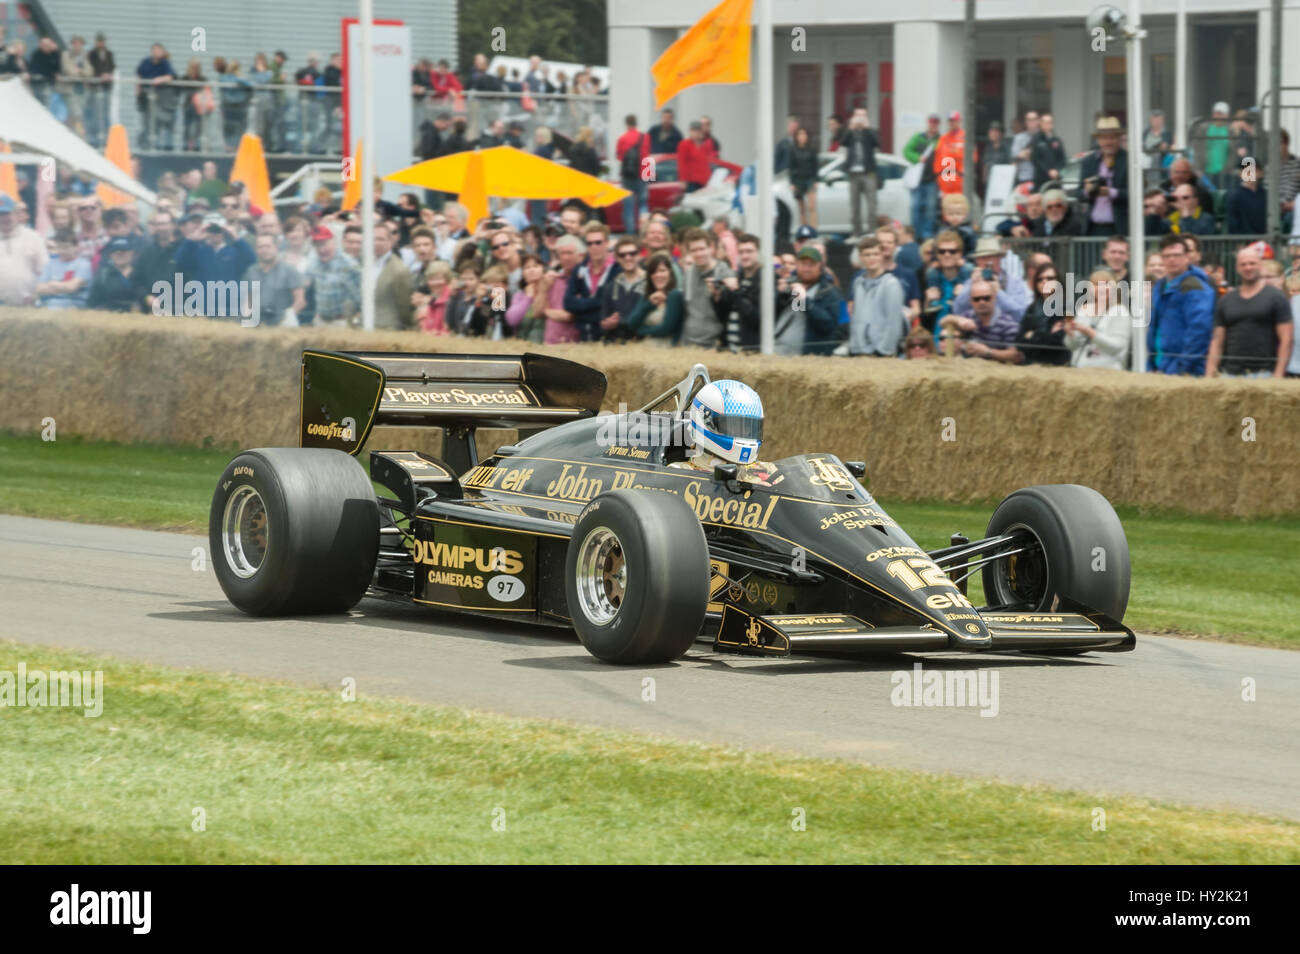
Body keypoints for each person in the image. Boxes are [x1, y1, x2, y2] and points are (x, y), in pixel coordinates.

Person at [1205, 245, 1293, 378]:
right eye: (1243, 264)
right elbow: (1217, 341)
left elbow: (1286, 339)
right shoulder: (1226, 300)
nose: (1248, 267)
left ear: (1260, 266)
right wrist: (1210, 373)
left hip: (1264, 374)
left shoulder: (1277, 298)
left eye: (1252, 263)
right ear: (1237, 268)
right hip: (1230, 374)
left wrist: (1278, 375)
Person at [1147, 234, 1216, 375]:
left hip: (1185, 369)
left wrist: (1183, 368)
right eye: (1167, 256)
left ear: (1186, 257)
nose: (1172, 259)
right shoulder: (1160, 285)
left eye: (1177, 255)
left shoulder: (1196, 287)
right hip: (1160, 364)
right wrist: (1152, 363)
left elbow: (1200, 331)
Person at [679, 380, 766, 471]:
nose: (744, 432)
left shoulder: (764, 471)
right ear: (706, 420)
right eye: (734, 425)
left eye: (748, 427)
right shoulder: (678, 472)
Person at [773, 246, 844, 356]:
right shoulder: (791, 285)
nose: (806, 268)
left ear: (820, 267)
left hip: (810, 357)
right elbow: (779, 316)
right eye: (803, 264)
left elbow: (828, 325)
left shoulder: (830, 292)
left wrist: (805, 300)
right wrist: (781, 295)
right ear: (797, 265)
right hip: (781, 354)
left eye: (811, 265)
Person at [845, 237, 906, 357]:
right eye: (867, 255)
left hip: (880, 353)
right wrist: (853, 346)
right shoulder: (858, 282)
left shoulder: (891, 284)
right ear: (860, 257)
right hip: (859, 351)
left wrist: (883, 351)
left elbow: (893, 322)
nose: (871, 258)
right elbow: (855, 317)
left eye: (876, 254)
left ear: (882, 255)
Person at [940, 278, 1022, 363]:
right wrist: (957, 319)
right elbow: (942, 323)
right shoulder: (968, 316)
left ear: (994, 298)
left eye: (986, 298)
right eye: (977, 299)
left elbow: (1017, 356)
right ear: (971, 301)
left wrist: (987, 352)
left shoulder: (1008, 324)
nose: (982, 302)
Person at [1065, 268, 1132, 370]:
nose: (1101, 288)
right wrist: (1070, 334)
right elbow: (1072, 346)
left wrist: (1090, 332)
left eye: (1106, 284)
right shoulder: (1083, 310)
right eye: (1096, 284)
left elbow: (1118, 347)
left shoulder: (1120, 311)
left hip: (1107, 374)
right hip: (1079, 372)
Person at [563, 222, 618, 341]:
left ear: (607, 244)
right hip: (584, 334)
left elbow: (616, 304)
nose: (594, 246)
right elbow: (568, 303)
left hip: (611, 336)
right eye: (589, 243)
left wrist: (582, 304)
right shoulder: (579, 269)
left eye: (598, 242)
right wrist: (599, 302)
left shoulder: (617, 269)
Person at [679, 227, 733, 348]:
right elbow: (687, 309)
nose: (699, 254)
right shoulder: (688, 274)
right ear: (689, 252)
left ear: (711, 248)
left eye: (702, 249)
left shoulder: (724, 272)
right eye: (694, 250)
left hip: (715, 345)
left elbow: (728, 311)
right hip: (689, 344)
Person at [1079, 117, 1128, 236]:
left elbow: (1136, 194)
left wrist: (1111, 192)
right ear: (1098, 140)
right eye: (1104, 138)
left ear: (1119, 139)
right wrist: (1087, 191)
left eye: (1112, 137)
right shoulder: (1089, 161)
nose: (1108, 142)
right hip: (1093, 228)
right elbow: (1078, 193)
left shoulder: (1128, 161)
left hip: (1119, 228)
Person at [243, 233, 305, 326]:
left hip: (283, 324)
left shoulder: (290, 270)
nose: (265, 250)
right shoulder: (251, 272)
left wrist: (289, 318)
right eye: (261, 247)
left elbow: (300, 300)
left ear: (276, 247)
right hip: (258, 324)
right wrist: (246, 319)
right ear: (256, 250)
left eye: (268, 246)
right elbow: (248, 300)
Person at [1013, 263, 1069, 365]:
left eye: (1050, 278)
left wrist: (1032, 335)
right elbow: (1019, 342)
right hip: (1031, 366)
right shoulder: (1031, 309)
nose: (1044, 282)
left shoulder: (1067, 308)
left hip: (1057, 366)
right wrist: (1048, 335)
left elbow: (1059, 342)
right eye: (1040, 279)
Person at [621, 253, 683, 345]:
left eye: (662, 271)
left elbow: (666, 328)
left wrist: (641, 330)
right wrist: (649, 305)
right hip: (645, 348)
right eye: (653, 272)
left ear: (670, 273)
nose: (658, 275)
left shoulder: (675, 295)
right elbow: (632, 324)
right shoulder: (648, 296)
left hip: (667, 351)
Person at [0, 194, 50, 306]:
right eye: (1, 214)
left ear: (16, 214)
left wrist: (36, 294)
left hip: (27, 303)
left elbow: (45, 270)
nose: (4, 218)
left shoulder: (32, 237)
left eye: (7, 213)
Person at [307, 225, 361, 326]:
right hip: (321, 321)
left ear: (333, 241)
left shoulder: (348, 265)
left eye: (324, 244)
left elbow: (361, 300)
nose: (322, 249)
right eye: (317, 245)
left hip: (342, 322)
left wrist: (355, 322)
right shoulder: (315, 263)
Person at [717, 233, 763, 351]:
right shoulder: (738, 278)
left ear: (759, 252)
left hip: (751, 353)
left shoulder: (766, 280)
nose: (745, 256)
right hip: (730, 351)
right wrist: (716, 297)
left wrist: (735, 291)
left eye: (749, 251)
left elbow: (756, 318)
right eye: (741, 252)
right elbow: (722, 315)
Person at [923, 229, 973, 335]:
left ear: (960, 254)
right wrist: (927, 302)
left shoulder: (970, 278)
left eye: (952, 251)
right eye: (942, 251)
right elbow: (924, 320)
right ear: (937, 255)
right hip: (935, 338)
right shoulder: (931, 276)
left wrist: (963, 298)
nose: (947, 254)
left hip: (960, 339)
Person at [840, 108, 879, 236]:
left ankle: (872, 231)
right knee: (854, 205)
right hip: (853, 173)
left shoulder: (871, 131)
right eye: (858, 116)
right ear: (853, 117)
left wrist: (867, 128)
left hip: (868, 173)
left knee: (872, 205)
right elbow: (843, 142)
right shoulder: (851, 132)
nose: (860, 119)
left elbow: (877, 143)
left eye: (863, 116)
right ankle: (856, 232)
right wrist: (850, 128)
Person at [903, 114, 941, 239]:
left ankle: (927, 233)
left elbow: (947, 159)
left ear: (938, 124)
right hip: (917, 181)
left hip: (932, 180)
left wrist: (947, 180)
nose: (933, 125)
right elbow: (906, 151)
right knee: (915, 207)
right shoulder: (918, 137)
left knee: (931, 208)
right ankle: (916, 233)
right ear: (928, 123)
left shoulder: (941, 139)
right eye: (932, 122)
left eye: (936, 123)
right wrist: (917, 158)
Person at [600, 236, 646, 338]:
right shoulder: (610, 287)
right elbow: (603, 319)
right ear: (616, 258)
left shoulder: (651, 282)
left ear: (640, 255)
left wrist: (620, 321)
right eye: (622, 255)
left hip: (644, 343)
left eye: (632, 253)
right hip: (617, 345)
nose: (628, 257)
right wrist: (606, 323)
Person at [35, 229, 92, 309]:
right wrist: (64, 288)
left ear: (76, 246)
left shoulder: (84, 265)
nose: (62, 251)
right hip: (50, 309)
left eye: (66, 247)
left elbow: (72, 287)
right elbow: (39, 289)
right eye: (59, 247)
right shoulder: (50, 264)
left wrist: (52, 283)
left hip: (74, 310)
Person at [544, 234, 585, 343]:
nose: (566, 257)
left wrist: (546, 311)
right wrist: (543, 287)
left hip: (573, 345)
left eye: (570, 253)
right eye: (562, 253)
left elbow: (569, 316)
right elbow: (537, 311)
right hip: (549, 344)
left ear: (580, 256)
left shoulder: (585, 280)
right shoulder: (554, 279)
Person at [616, 115, 651, 233]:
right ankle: (644, 232)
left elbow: (619, 157)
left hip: (627, 177)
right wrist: (649, 177)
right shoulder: (645, 137)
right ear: (637, 123)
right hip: (642, 175)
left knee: (628, 208)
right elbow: (647, 156)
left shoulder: (622, 138)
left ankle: (630, 235)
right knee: (643, 205)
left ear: (626, 124)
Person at [87, 237, 140, 312]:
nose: (119, 255)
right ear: (111, 255)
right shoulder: (103, 275)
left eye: (123, 252)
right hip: (108, 317)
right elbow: (92, 302)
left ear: (131, 253)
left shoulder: (140, 273)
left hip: (136, 317)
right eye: (116, 252)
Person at [788, 127, 819, 229]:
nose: (802, 137)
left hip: (809, 179)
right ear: (797, 137)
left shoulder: (811, 150)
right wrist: (792, 182)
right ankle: (804, 229)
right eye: (800, 135)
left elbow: (815, 166)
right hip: (798, 180)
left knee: (812, 206)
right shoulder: (793, 150)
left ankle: (813, 229)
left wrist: (816, 180)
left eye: (804, 134)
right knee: (802, 208)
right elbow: (791, 167)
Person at [1226, 164, 1268, 235]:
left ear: (1261, 174)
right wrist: (1238, 242)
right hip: (1244, 242)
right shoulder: (1235, 196)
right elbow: (1233, 223)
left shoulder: (1265, 195)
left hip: (1264, 241)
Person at [676, 121, 716, 194]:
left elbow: (707, 163)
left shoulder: (704, 146)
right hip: (691, 182)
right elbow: (682, 163)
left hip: (704, 182)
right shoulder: (684, 144)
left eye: (699, 131)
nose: (697, 133)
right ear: (690, 131)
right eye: (694, 131)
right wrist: (683, 180)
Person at [934, 110, 965, 198]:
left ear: (959, 121)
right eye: (950, 121)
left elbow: (972, 157)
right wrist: (938, 175)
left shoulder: (965, 137)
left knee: (958, 205)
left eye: (954, 120)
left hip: (959, 178)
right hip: (945, 178)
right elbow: (937, 156)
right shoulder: (943, 138)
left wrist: (962, 173)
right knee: (946, 206)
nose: (952, 123)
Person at [1033, 113, 1066, 189]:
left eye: (1050, 122)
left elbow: (1063, 160)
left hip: (1055, 179)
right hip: (1041, 179)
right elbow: (1035, 159)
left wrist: (1056, 170)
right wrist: (1048, 171)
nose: (1047, 125)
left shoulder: (1056, 140)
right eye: (1045, 122)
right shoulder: (1036, 140)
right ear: (1041, 124)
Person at [977, 121, 1010, 197]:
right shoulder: (987, 148)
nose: (992, 133)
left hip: (1002, 183)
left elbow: (1010, 165)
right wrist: (984, 180)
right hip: (989, 183)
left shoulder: (1006, 148)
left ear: (1001, 133)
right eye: (991, 131)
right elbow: (984, 165)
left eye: (995, 131)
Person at [1011, 111, 1041, 188]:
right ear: (1025, 122)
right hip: (1024, 177)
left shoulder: (1043, 137)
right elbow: (1015, 154)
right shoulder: (1019, 137)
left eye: (1034, 119)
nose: (1031, 122)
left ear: (1038, 121)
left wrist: (1028, 154)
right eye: (1029, 120)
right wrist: (1028, 154)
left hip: (1040, 177)